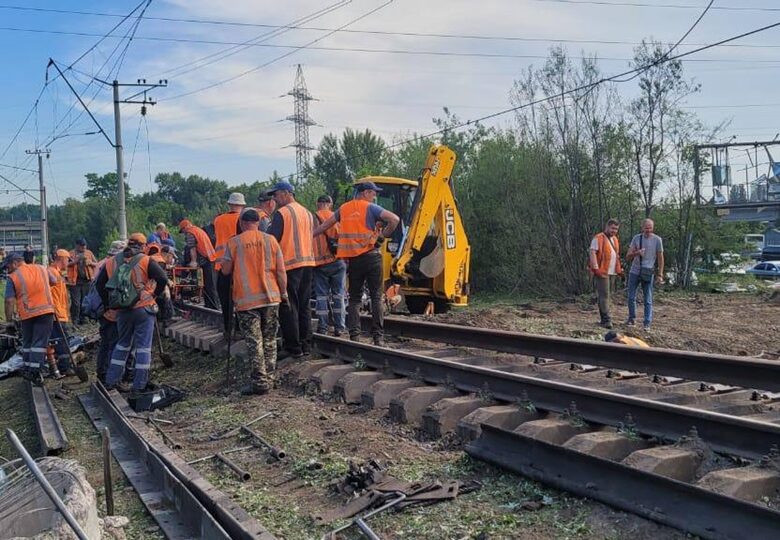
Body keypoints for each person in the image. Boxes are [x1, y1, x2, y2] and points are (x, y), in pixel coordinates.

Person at [313, 182, 400, 346]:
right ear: (365, 192)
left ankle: (354, 336)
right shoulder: (371, 208)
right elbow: (394, 219)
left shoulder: (344, 209)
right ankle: (378, 337)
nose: (375, 196)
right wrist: (382, 237)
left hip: (354, 260)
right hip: (372, 257)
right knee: (376, 297)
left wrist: (308, 235)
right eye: (373, 193)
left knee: (354, 298)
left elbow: (324, 226)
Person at [221, 209, 287, 394]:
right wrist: (284, 293)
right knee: (270, 340)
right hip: (271, 298)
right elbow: (281, 271)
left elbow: (225, 271)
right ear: (258, 223)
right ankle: (270, 378)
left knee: (254, 342)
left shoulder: (235, 242)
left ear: (242, 223)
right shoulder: (271, 240)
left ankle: (259, 382)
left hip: (247, 301)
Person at [96, 233, 168, 393]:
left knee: (122, 345)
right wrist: (154, 295)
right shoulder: (146, 260)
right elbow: (163, 279)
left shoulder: (111, 261)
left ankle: (111, 380)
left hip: (122, 310)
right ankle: (139, 384)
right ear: (143, 246)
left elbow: (100, 284)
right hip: (143, 308)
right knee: (143, 348)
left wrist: (108, 304)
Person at [266, 181, 315, 359]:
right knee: (304, 305)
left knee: (289, 306)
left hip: (289, 265)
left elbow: (272, 240)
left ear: (286, 193)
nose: (274, 199)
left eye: (276, 195)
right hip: (308, 263)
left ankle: (293, 347)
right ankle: (306, 344)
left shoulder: (282, 213)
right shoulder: (307, 213)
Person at [3, 252, 57, 383]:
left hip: (27, 314)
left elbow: (9, 301)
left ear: (15, 263)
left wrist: (9, 321)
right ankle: (34, 370)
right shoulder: (41, 268)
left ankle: (31, 371)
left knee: (28, 342)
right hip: (46, 311)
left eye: (7, 267)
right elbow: (54, 281)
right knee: (39, 343)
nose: (7, 270)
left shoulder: (13, 277)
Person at [312, 195, 346, 336]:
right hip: (337, 261)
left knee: (321, 296)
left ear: (317, 203)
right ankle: (339, 327)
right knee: (339, 295)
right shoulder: (336, 217)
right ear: (330, 204)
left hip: (319, 263)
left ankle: (323, 327)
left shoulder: (311, 219)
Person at [213, 192, 246, 333]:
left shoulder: (218, 220)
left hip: (222, 265)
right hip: (239, 265)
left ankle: (228, 330)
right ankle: (239, 329)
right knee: (240, 299)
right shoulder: (243, 219)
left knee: (225, 300)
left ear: (229, 204)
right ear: (242, 205)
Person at [94, 240, 126, 383]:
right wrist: (110, 304)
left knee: (105, 342)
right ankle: (110, 376)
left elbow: (97, 285)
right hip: (112, 311)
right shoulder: (115, 264)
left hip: (102, 309)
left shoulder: (102, 263)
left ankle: (102, 372)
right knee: (114, 343)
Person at [625, 218, 664, 331]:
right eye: (646, 228)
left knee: (648, 298)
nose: (648, 230)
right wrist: (637, 253)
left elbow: (660, 258)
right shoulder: (636, 238)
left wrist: (660, 274)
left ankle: (647, 322)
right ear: (642, 228)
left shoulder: (657, 240)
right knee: (631, 297)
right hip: (635, 271)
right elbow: (628, 256)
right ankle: (632, 319)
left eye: (650, 228)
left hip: (648, 272)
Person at [589, 219, 622, 329]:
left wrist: (619, 269)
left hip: (612, 271)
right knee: (604, 295)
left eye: (616, 229)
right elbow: (592, 252)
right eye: (612, 228)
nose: (614, 231)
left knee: (607, 295)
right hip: (602, 271)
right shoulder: (598, 238)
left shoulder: (615, 239)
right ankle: (606, 320)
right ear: (607, 227)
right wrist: (595, 268)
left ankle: (604, 318)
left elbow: (616, 255)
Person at [178, 219, 219, 309]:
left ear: (184, 228)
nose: (184, 233)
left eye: (183, 231)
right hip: (210, 258)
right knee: (209, 285)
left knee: (210, 285)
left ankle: (214, 307)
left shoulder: (190, 233)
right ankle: (209, 306)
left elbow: (192, 248)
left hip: (208, 259)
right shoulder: (197, 230)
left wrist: (193, 261)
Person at [48, 249, 73, 375]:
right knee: (61, 341)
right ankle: (64, 367)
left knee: (62, 340)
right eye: (68, 260)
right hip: (56, 313)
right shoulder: (51, 272)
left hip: (60, 312)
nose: (68, 263)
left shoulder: (57, 273)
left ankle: (63, 366)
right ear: (62, 259)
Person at [67, 238, 97, 325]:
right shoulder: (70, 254)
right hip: (74, 282)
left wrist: (90, 263)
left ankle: (83, 319)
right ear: (77, 245)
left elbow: (97, 263)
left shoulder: (89, 253)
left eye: (85, 246)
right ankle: (75, 320)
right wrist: (75, 262)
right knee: (76, 302)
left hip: (87, 281)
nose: (84, 248)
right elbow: (65, 265)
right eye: (82, 246)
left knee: (85, 301)